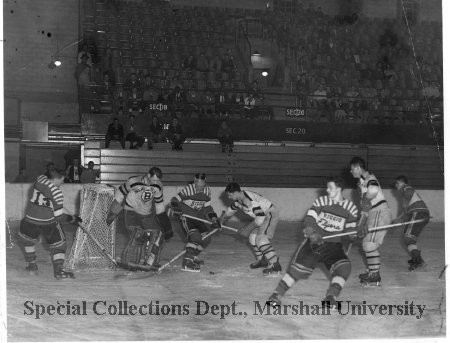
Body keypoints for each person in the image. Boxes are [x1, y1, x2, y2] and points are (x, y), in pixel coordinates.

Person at [267, 176, 358, 309]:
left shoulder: (351, 208)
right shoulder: (322, 201)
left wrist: (358, 233)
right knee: (296, 271)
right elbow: (309, 219)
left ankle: (330, 297)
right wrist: (312, 233)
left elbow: (351, 233)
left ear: (339, 189)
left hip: (333, 246)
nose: (327, 190)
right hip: (314, 242)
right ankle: (276, 295)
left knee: (344, 267)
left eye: (330, 188)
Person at [17, 170, 82, 278]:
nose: (62, 183)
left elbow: (45, 185)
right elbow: (59, 217)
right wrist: (72, 219)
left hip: (29, 220)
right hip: (48, 223)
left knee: (27, 241)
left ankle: (32, 265)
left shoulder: (40, 179)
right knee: (59, 245)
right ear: (56, 179)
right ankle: (59, 271)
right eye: (62, 180)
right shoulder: (57, 193)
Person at [106, 167, 173, 269]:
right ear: (148, 175)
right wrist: (113, 212)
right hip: (131, 211)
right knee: (138, 234)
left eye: (158, 180)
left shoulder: (158, 186)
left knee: (157, 233)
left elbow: (159, 206)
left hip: (146, 214)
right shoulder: (134, 181)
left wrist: (166, 226)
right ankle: (129, 259)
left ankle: (150, 262)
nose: (156, 182)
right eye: (154, 179)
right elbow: (120, 192)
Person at [221, 182, 281, 276]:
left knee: (261, 240)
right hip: (261, 217)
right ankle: (262, 261)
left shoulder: (248, 201)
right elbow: (230, 210)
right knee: (252, 238)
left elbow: (260, 218)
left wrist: (247, 228)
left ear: (235, 192)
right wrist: (221, 219)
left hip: (269, 215)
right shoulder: (239, 199)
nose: (229, 197)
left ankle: (275, 265)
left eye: (230, 194)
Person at [349, 156, 392, 286]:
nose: (351, 172)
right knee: (366, 244)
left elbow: (373, 191)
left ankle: (375, 275)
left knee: (369, 244)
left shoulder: (370, 179)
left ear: (357, 167)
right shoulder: (362, 182)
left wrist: (366, 199)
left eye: (352, 169)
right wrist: (361, 223)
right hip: (373, 214)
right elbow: (366, 208)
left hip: (379, 212)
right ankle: (372, 271)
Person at [170, 173, 221, 272]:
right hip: (186, 218)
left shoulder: (207, 191)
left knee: (206, 239)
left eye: (202, 186)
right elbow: (174, 200)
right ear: (194, 182)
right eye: (197, 186)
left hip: (198, 218)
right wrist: (176, 209)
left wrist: (214, 219)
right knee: (196, 237)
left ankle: (192, 256)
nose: (199, 189)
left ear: (205, 183)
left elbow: (207, 207)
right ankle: (187, 263)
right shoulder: (188, 189)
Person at [393, 175, 430, 271]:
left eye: (396, 183)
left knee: (408, 239)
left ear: (400, 183)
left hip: (418, 214)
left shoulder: (405, 188)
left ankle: (419, 261)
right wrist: (400, 219)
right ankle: (415, 258)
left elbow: (406, 206)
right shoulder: (407, 190)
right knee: (408, 238)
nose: (395, 186)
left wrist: (401, 218)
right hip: (421, 214)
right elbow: (408, 209)